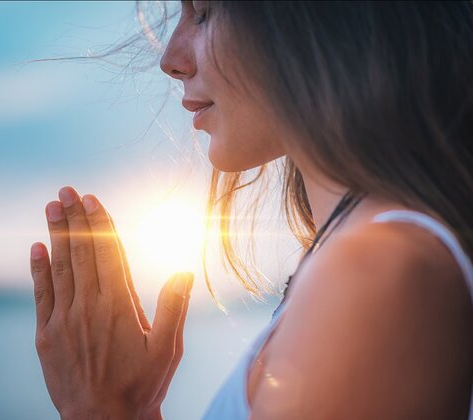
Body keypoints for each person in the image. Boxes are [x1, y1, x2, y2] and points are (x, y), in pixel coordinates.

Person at [29, 1, 473, 418]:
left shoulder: (378, 274)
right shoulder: (361, 263)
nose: (170, 58)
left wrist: (101, 409)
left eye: (203, 12)